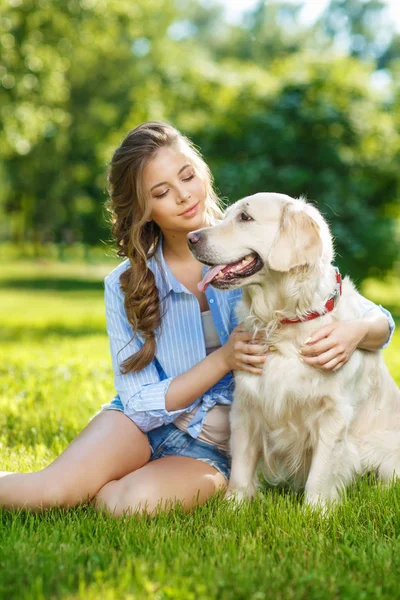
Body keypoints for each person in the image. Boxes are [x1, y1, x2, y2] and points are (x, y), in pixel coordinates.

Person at [0, 121, 395, 517]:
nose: (183, 195)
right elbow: (137, 402)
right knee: (48, 491)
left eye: (187, 176)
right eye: (161, 192)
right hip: (138, 426)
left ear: (202, 172)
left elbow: (345, 304)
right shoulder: (122, 284)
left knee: (122, 503)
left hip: (211, 449)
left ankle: (106, 483)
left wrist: (359, 330)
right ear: (143, 209)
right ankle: (84, 479)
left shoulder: (250, 244)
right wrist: (222, 360)